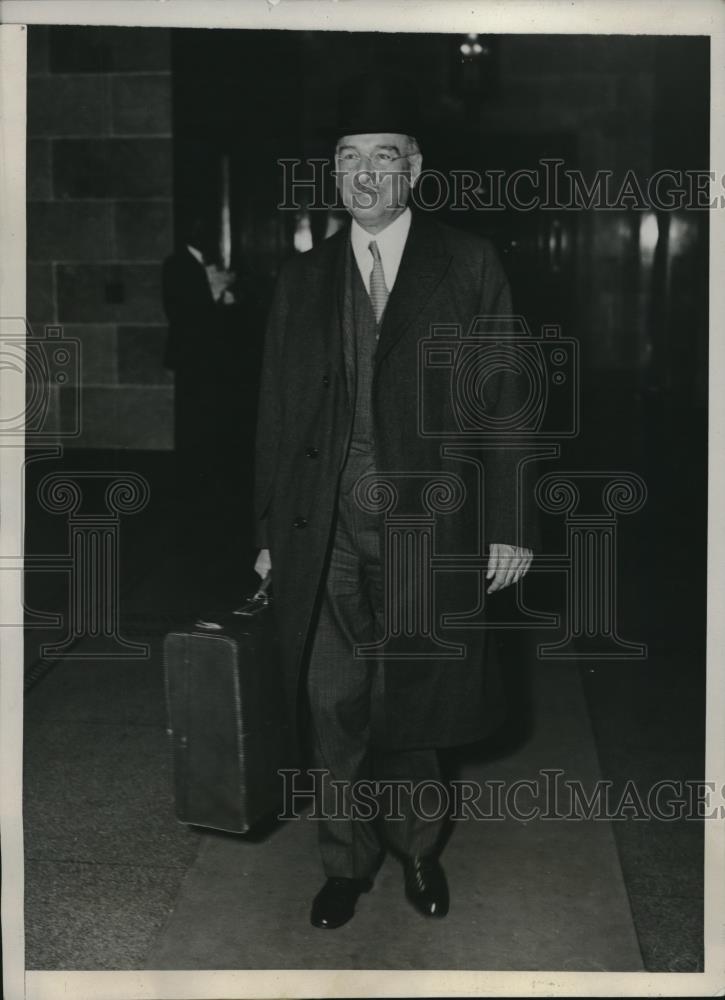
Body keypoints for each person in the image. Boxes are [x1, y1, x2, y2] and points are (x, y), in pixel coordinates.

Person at [253, 74, 536, 929]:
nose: (366, 176)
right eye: (349, 161)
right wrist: (267, 531)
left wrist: (510, 526)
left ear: (414, 168)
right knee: (328, 700)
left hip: (431, 524)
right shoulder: (302, 279)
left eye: (384, 159)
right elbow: (273, 409)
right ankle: (345, 860)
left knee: (413, 700)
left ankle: (416, 850)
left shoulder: (467, 262)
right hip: (325, 524)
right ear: (332, 177)